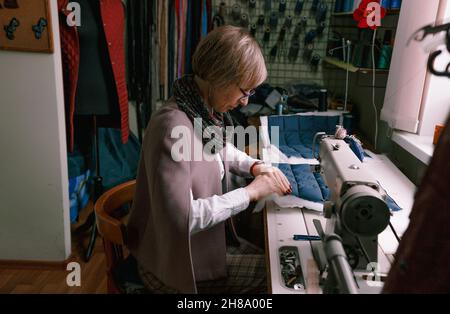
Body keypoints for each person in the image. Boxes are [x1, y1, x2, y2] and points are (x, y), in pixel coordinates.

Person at [127, 26, 292, 294]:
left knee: (272, 254)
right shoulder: (173, 126)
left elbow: (218, 149)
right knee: (278, 278)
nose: (244, 102)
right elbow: (184, 218)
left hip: (194, 247)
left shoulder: (196, 109)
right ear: (221, 77)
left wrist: (254, 166)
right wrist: (250, 192)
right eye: (244, 91)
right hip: (171, 264)